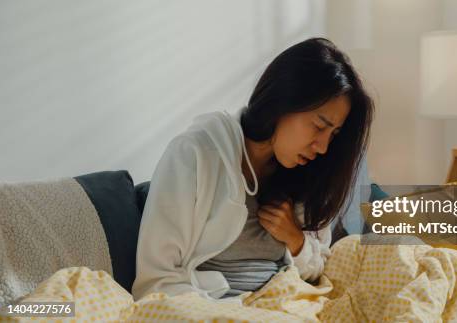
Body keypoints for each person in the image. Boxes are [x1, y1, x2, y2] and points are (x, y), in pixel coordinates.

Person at [131, 37, 375, 304]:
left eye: (334, 134)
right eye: (319, 126)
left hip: (292, 301)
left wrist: (297, 242)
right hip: (217, 306)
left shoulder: (308, 174)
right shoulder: (196, 154)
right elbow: (156, 280)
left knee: (400, 256)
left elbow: (318, 268)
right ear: (285, 100)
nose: (323, 147)